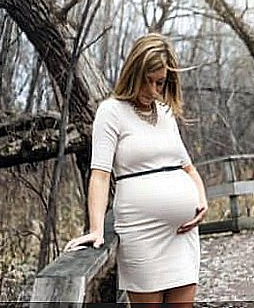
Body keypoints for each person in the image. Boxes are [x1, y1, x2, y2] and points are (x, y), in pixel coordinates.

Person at [64, 32, 208, 307]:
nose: (153, 90)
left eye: (161, 83)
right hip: (142, 232)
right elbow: (100, 174)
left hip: (183, 233)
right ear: (134, 72)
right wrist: (96, 228)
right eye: (148, 80)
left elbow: (187, 167)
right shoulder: (111, 112)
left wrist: (201, 199)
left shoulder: (165, 112)